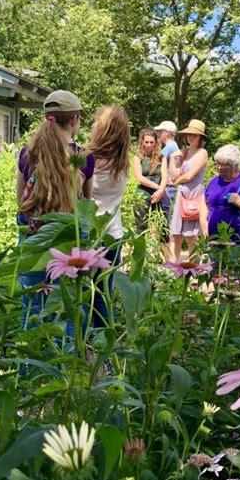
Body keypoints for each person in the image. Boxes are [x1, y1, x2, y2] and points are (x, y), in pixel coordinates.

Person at [17, 89, 95, 332]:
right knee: (68, 308)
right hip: (69, 243)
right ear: (74, 120)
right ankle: (65, 365)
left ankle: (27, 369)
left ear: (46, 118)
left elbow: (20, 200)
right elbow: (86, 206)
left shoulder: (28, 154)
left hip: (33, 239)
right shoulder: (84, 157)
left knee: (30, 308)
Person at [88, 105, 130, 327]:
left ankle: (84, 346)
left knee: (85, 293)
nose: (92, 125)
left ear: (103, 130)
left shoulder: (89, 159)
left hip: (91, 234)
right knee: (103, 295)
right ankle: (103, 345)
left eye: (96, 122)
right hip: (114, 234)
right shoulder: (122, 162)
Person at [169, 119, 208, 262]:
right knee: (176, 234)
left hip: (194, 196)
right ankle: (172, 269)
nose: (190, 137)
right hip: (182, 196)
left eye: (194, 135)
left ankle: (194, 269)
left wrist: (177, 182)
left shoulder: (202, 152)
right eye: (189, 134)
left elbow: (190, 175)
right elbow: (175, 175)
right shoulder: (184, 153)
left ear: (200, 138)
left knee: (192, 236)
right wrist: (174, 158)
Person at [132, 129, 168, 240]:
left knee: (163, 228)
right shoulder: (137, 157)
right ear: (142, 142)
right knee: (141, 227)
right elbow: (140, 178)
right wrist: (158, 188)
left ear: (156, 142)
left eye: (151, 142)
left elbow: (164, 176)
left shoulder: (162, 157)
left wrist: (161, 191)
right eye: (146, 142)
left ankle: (164, 256)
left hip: (159, 194)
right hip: (143, 194)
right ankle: (141, 254)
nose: (149, 145)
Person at [154, 120, 179, 227]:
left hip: (167, 188)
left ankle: (166, 243)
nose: (158, 134)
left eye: (161, 131)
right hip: (172, 187)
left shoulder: (168, 148)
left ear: (167, 133)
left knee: (165, 221)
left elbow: (161, 169)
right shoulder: (175, 146)